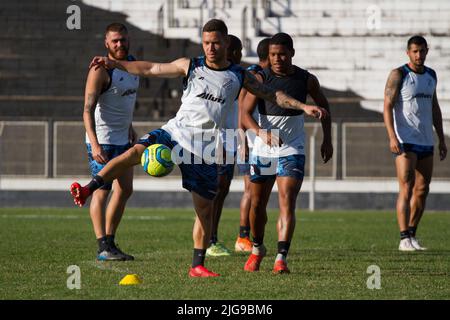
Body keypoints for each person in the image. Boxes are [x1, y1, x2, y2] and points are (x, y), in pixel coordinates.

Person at [70, 19, 327, 277]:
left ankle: (197, 265)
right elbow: (150, 68)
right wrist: (114, 63)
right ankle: (88, 187)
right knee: (134, 152)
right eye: (206, 43)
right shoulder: (191, 65)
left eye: (215, 42)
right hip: (176, 132)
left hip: (203, 148)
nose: (210, 48)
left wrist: (303, 107)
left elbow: (274, 96)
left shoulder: (239, 75)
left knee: (204, 209)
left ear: (226, 42)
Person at [241, 33, 333, 274]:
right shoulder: (260, 78)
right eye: (272, 55)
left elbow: (324, 108)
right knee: (257, 205)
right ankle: (257, 248)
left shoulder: (306, 79)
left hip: (292, 148)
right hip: (263, 150)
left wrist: (327, 139)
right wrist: (260, 133)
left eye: (281, 54)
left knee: (287, 200)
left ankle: (281, 257)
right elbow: (244, 114)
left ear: (292, 53)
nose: (277, 59)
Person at [383, 35, 447, 251]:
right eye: (415, 51)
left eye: (422, 51)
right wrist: (392, 136)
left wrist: (441, 138)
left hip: (426, 140)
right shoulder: (398, 74)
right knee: (407, 187)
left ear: (427, 51)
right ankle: (403, 239)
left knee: (422, 189)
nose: (419, 55)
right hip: (405, 140)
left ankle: (412, 234)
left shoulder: (431, 75)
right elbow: (387, 106)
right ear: (408, 53)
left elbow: (435, 108)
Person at [81, 23, 137, 261]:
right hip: (103, 141)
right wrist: (94, 144)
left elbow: (124, 101)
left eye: (123, 40)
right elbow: (87, 110)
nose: (120, 44)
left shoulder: (132, 65)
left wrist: (130, 126)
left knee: (125, 189)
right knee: (101, 192)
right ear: (106, 43)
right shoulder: (100, 70)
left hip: (123, 139)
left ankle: (111, 242)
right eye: (115, 41)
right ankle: (102, 246)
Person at [206, 34, 243, 257]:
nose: (237, 56)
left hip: (229, 142)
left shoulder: (238, 77)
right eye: (235, 51)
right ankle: (209, 240)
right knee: (213, 191)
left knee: (221, 192)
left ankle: (213, 238)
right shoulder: (220, 77)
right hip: (214, 142)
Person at [234, 37, 271, 253]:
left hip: (258, 140)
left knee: (255, 192)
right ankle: (242, 237)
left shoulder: (262, 75)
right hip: (250, 140)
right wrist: (242, 141)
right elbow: (242, 108)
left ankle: (248, 236)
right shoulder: (253, 75)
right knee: (250, 190)